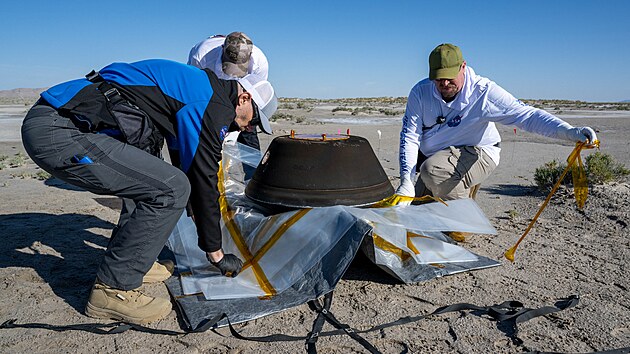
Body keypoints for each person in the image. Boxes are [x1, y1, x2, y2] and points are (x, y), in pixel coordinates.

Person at [21, 59, 278, 324]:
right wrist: (215, 253)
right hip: (60, 130)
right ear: (244, 97)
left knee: (153, 179)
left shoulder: (202, 89)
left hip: (64, 120)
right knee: (171, 188)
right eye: (254, 120)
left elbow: (186, 160)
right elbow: (203, 177)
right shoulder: (212, 104)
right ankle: (112, 290)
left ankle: (133, 262)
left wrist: (195, 211)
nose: (250, 128)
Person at [397, 43, 597, 203]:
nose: (444, 84)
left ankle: (464, 223)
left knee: (432, 172)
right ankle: (454, 192)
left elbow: (527, 116)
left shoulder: (484, 92)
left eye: (450, 77)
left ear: (463, 67)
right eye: (439, 79)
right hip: (439, 155)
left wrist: (569, 132)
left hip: (479, 151)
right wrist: (406, 180)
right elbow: (410, 135)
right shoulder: (420, 93)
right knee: (418, 206)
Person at [188, 32, 269, 154]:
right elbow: (195, 90)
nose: (232, 74)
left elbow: (257, 95)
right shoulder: (201, 55)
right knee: (207, 137)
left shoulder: (260, 62)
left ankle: (253, 172)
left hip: (242, 99)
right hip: (211, 96)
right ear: (222, 50)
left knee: (248, 134)